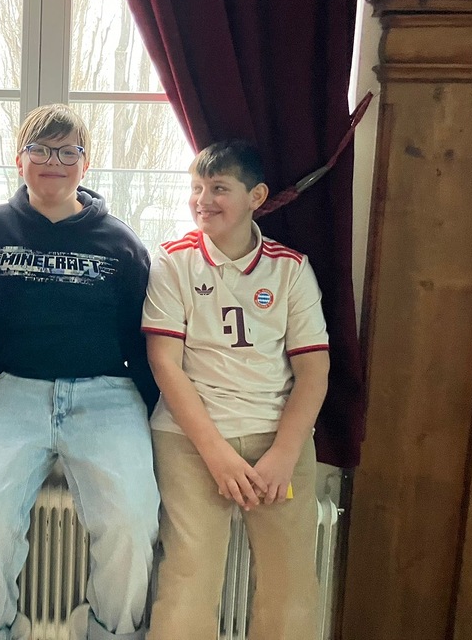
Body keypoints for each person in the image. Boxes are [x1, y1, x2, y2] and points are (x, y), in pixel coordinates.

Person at [0, 104, 160, 640]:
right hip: (11, 391)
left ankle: (110, 633)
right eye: (40, 150)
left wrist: (156, 414)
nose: (53, 162)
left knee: (132, 523)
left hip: (107, 396)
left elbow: (142, 343)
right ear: (19, 159)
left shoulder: (121, 243)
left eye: (68, 152)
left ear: (86, 164)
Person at [141, 140, 330, 639]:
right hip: (191, 440)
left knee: (290, 582)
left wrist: (284, 454)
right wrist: (217, 455)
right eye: (196, 188)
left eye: (219, 188)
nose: (203, 200)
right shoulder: (173, 262)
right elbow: (164, 363)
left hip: (276, 439)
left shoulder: (290, 268)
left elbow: (314, 371)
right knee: (190, 573)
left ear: (256, 196)